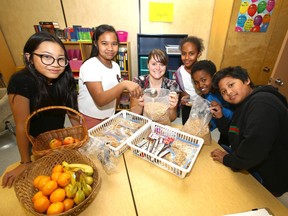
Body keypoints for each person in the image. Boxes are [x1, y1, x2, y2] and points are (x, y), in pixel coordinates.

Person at [2, 31, 78, 188]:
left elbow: (72, 112)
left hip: (58, 141)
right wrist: (25, 162)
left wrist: (83, 136)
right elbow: (22, 125)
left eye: (60, 59)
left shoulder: (64, 79)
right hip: (34, 145)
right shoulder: (21, 81)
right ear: (29, 58)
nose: (55, 64)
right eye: (47, 57)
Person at [210, 66, 288, 197]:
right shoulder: (245, 104)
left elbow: (253, 151)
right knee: (220, 150)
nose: (228, 92)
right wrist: (221, 118)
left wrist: (227, 160)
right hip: (253, 162)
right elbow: (235, 134)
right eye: (223, 91)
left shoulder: (262, 104)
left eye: (231, 85)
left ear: (246, 80)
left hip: (269, 175)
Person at [77, 24, 142, 129]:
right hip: (90, 118)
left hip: (108, 117)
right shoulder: (90, 65)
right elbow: (100, 100)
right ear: (95, 44)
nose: (110, 48)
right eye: (104, 43)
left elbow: (115, 94)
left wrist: (113, 113)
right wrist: (124, 84)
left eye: (114, 44)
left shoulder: (115, 66)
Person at [130, 49, 180, 123]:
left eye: (162, 64)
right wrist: (140, 105)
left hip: (163, 127)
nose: (158, 68)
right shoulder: (138, 83)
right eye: (154, 64)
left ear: (166, 67)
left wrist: (172, 108)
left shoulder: (172, 85)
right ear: (148, 65)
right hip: (144, 126)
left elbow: (172, 118)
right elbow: (133, 114)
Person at [191, 60, 233, 145]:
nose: (200, 85)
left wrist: (221, 109)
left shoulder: (223, 91)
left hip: (235, 126)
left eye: (203, 80)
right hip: (223, 126)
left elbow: (232, 113)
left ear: (213, 77)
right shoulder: (206, 94)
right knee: (222, 144)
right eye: (196, 82)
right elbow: (213, 115)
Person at [174, 36, 204, 124]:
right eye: (184, 53)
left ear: (198, 54)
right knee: (187, 127)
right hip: (187, 106)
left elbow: (208, 89)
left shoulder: (203, 70)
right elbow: (179, 89)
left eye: (191, 54)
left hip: (201, 106)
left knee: (200, 128)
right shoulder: (179, 72)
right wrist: (183, 96)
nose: (187, 57)